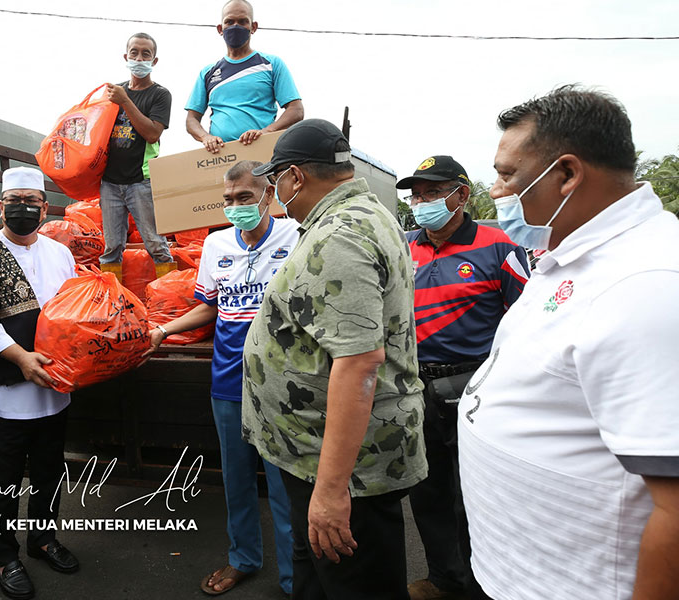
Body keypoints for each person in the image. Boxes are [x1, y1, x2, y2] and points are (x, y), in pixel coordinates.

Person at [456, 86, 679, 600]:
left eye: (509, 174)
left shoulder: (645, 283)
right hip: (527, 575)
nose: (496, 190)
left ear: (566, 175)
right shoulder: (570, 255)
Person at [244, 119, 426, 599]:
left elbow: (360, 363)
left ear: (296, 176)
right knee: (320, 576)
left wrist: (329, 491)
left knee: (355, 583)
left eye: (275, 178)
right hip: (318, 453)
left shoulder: (340, 234)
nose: (274, 190)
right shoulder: (355, 215)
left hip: (346, 469)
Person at [146, 160, 296, 596]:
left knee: (285, 483)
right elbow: (210, 305)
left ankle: (293, 576)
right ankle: (243, 558)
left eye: (244, 198)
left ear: (267, 195)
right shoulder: (215, 245)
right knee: (237, 477)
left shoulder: (297, 235)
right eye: (228, 200)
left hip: (280, 381)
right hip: (229, 380)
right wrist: (164, 329)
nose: (235, 207)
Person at [395, 156, 529, 600]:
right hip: (414, 388)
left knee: (475, 494)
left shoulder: (498, 244)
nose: (422, 203)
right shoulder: (404, 245)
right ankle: (443, 577)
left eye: (433, 193)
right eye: (416, 194)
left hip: (475, 387)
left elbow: (527, 321)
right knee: (426, 489)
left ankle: (482, 584)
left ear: (461, 195)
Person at [0, 166, 78, 600]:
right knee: (1, 481)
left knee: (48, 473)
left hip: (53, 384)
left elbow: (73, 309)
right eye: (14, 200)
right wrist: (20, 357)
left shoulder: (60, 254)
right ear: (0, 205)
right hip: (5, 388)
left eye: (32, 201)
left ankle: (42, 540)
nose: (23, 207)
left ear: (45, 207)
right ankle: (2, 555)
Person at [99, 32, 175, 280]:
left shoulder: (160, 94)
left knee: (156, 244)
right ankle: (113, 299)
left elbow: (152, 134)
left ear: (154, 61)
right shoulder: (114, 93)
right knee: (111, 248)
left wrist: (126, 102)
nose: (139, 58)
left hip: (140, 181)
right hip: (110, 183)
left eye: (146, 54)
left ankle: (168, 298)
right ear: (126, 56)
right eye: (134, 52)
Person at [185, 0, 303, 154]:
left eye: (242, 21)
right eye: (229, 22)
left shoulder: (272, 64)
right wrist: (205, 137)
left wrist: (267, 131)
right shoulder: (208, 73)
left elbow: (296, 110)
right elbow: (191, 119)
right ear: (220, 29)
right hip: (220, 156)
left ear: (253, 27)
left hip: (261, 154)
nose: (235, 26)